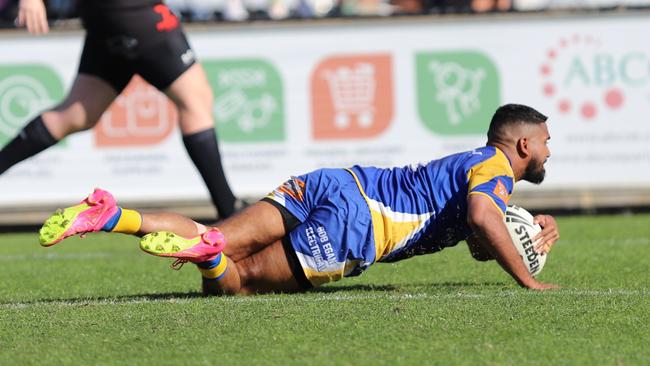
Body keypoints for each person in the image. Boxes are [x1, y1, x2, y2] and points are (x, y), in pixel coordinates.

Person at [39, 104, 561, 294]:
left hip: (337, 182)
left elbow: (477, 235)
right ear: (521, 145)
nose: (548, 149)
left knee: (216, 232)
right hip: (361, 225)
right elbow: (479, 217)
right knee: (235, 284)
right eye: (545, 141)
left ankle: (113, 214)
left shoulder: (476, 166)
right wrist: (528, 277)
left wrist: (526, 234)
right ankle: (214, 259)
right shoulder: (496, 172)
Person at [2, 0, 239, 219]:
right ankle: (230, 212)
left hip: (109, 18)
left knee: (74, 116)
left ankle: (229, 208)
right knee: (194, 101)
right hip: (134, 12)